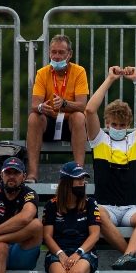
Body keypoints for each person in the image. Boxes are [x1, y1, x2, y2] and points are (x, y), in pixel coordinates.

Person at [85, 66, 136, 270]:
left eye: (121, 125)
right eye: (114, 124)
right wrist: (109, 79)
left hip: (131, 207)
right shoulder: (99, 139)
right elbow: (90, 109)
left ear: (128, 125)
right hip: (106, 206)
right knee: (95, 212)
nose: (117, 128)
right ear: (106, 123)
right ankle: (129, 254)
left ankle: (127, 255)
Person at [26, 34, 89, 182]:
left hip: (70, 124)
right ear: (49, 53)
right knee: (34, 117)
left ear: (70, 54)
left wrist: (65, 104)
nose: (57, 56)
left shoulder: (79, 71)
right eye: (53, 52)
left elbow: (82, 105)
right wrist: (42, 107)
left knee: (79, 116)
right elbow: (34, 105)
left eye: (61, 52)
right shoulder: (42, 72)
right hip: (49, 122)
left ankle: (78, 172)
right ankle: (32, 174)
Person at [43, 161, 101, 273]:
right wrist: (60, 254)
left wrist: (78, 253)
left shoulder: (90, 203)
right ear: (67, 183)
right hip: (57, 251)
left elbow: (95, 234)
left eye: (83, 179)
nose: (82, 183)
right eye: (78, 179)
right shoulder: (51, 205)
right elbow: (47, 236)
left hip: (84, 251)